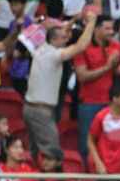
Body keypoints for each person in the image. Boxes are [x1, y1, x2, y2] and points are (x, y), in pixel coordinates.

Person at [24, 13, 98, 153]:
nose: (66, 40)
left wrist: (73, 21)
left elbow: (60, 32)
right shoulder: (53, 55)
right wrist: (91, 23)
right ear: (53, 40)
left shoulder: (42, 48)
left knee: (35, 151)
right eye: (63, 39)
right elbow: (80, 47)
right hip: (41, 111)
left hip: (31, 108)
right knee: (52, 152)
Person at [76, 15, 120, 157]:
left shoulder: (118, 47)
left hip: (112, 104)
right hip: (89, 104)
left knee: (112, 144)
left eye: (112, 28)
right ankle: (87, 179)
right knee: (87, 145)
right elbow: (82, 75)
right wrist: (107, 66)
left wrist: (115, 65)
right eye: (107, 28)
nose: (111, 32)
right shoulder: (84, 47)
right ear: (96, 29)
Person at [88, 81, 120, 181]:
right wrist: (99, 164)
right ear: (115, 99)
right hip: (106, 169)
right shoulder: (101, 117)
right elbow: (90, 141)